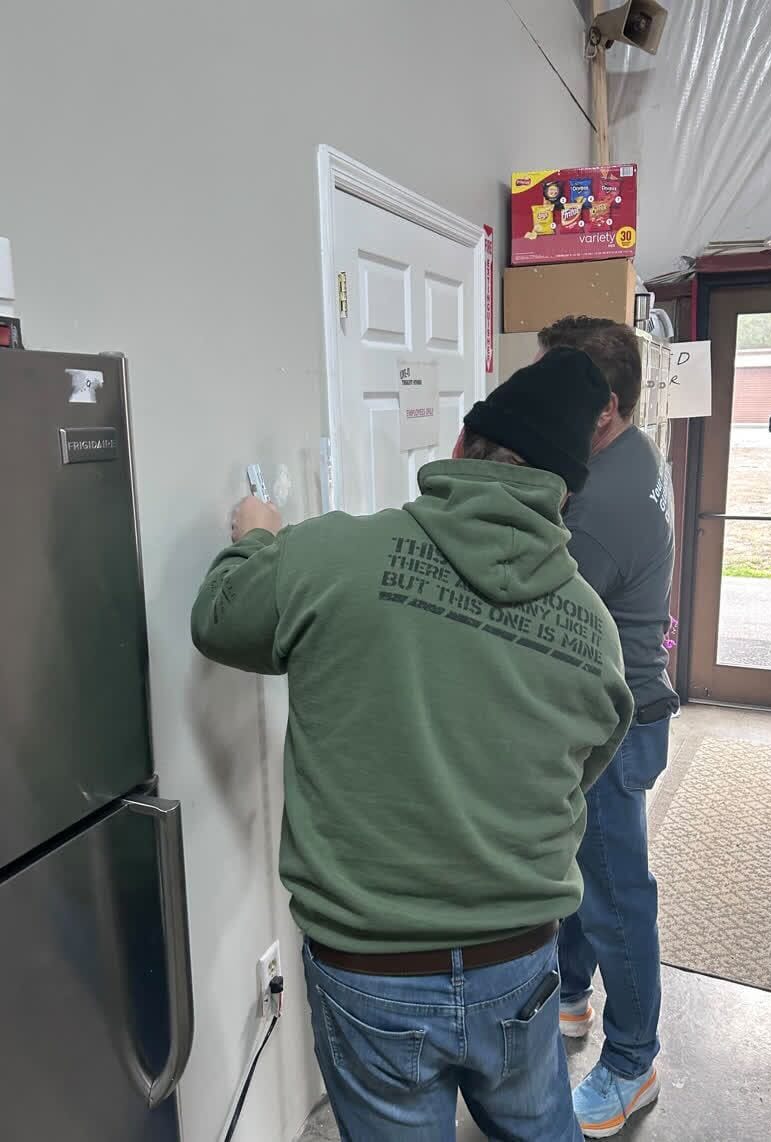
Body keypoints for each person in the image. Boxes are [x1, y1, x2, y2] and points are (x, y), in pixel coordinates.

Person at [191, 348, 634, 1142]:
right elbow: (587, 768)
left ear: (461, 445)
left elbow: (220, 618)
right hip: (519, 961)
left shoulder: (330, 557)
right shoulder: (591, 629)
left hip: (373, 968)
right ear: (562, 494)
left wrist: (257, 538)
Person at [537, 317, 679, 1138]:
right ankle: (569, 993)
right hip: (631, 706)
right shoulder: (631, 449)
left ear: (601, 409)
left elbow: (535, 617)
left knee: (617, 899)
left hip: (612, 728)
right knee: (585, 875)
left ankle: (634, 1063)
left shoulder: (596, 506)